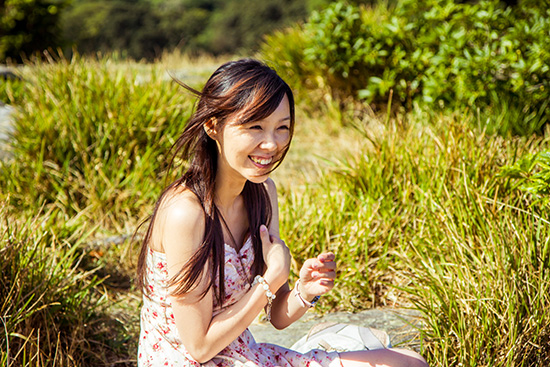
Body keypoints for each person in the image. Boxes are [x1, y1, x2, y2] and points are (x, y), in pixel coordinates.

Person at [136, 58, 429, 367]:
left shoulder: (262, 192)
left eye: (282, 128)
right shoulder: (186, 212)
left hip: (243, 355)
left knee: (409, 362)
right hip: (187, 361)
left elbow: (277, 317)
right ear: (212, 125)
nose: (271, 144)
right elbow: (199, 347)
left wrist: (304, 291)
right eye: (255, 127)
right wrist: (271, 278)